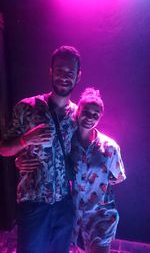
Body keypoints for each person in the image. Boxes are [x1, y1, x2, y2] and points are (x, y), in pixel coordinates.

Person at [0, 45, 81, 253]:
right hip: (33, 203)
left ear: (78, 76)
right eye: (60, 70)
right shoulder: (26, 107)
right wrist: (25, 140)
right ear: (51, 71)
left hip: (65, 203)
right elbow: (4, 149)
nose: (64, 77)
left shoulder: (78, 116)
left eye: (70, 72)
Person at [70, 88, 126, 253]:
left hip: (100, 215)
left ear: (100, 117)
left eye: (95, 114)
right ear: (78, 111)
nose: (89, 117)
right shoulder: (67, 143)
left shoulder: (110, 147)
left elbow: (117, 177)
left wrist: (96, 188)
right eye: (86, 112)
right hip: (70, 214)